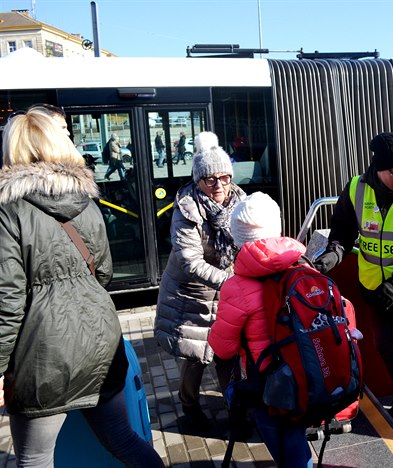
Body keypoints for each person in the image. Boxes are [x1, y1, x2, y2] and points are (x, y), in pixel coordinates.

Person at [0, 108, 164, 467]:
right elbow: (102, 272)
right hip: (100, 340)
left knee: (35, 458)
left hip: (42, 357)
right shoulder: (85, 202)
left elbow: (8, 300)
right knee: (123, 439)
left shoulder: (7, 211)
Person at [313, 132, 393, 442]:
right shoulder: (356, 189)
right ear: (378, 169)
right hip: (373, 284)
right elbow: (341, 235)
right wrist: (329, 258)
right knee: (384, 345)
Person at [208, 192, 314, 468]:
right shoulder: (303, 266)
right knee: (296, 433)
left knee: (280, 442)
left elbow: (223, 348)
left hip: (269, 385)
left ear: (238, 237)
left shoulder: (236, 286)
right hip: (308, 373)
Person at [154, 131, 245, 430]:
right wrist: (229, 280)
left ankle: (236, 409)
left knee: (227, 355)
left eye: (224, 177)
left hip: (226, 292)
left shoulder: (241, 202)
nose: (218, 185)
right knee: (196, 356)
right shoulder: (186, 208)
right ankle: (190, 408)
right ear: (198, 180)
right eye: (210, 179)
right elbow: (190, 261)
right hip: (190, 295)